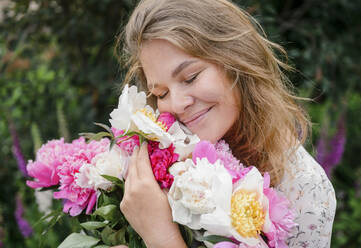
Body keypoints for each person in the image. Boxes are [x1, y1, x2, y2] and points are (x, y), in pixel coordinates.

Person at [112, 0, 337, 247]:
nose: (176, 104)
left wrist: (160, 235)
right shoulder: (155, 160)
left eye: (191, 77)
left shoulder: (305, 191)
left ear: (236, 59)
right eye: (162, 93)